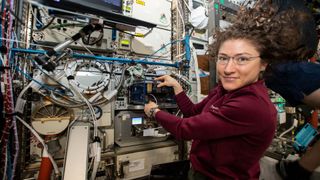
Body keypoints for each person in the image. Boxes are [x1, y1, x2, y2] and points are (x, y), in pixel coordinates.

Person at [143, 1, 301, 178]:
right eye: (223, 58)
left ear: (263, 63)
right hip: (200, 170)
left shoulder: (250, 105)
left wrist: (154, 112)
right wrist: (178, 88)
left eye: (242, 59)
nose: (228, 69)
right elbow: (192, 113)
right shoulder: (225, 90)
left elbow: (184, 129)